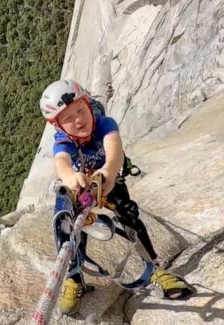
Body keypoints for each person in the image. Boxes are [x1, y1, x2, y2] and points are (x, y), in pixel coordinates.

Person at [39, 79, 192, 315]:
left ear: (88, 106)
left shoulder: (104, 124)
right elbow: (61, 161)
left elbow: (114, 149)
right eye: (68, 118)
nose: (78, 119)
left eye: (80, 110)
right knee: (74, 230)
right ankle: (74, 277)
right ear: (58, 126)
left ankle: (154, 268)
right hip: (83, 185)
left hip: (108, 180)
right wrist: (70, 176)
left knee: (130, 216)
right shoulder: (64, 140)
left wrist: (108, 172)